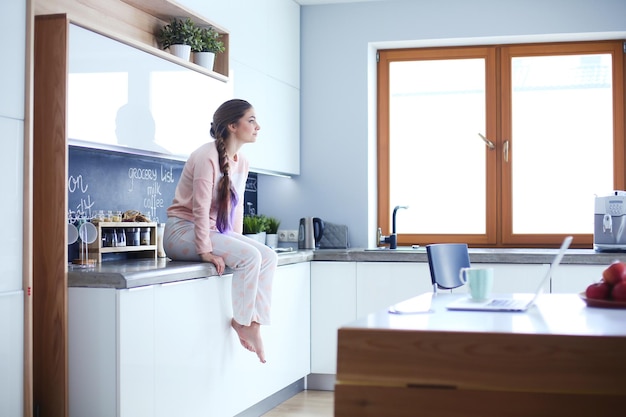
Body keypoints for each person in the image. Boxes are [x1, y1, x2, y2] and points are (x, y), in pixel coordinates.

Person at [163, 99, 278, 363]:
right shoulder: (206, 157)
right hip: (181, 233)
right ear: (232, 126)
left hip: (210, 232)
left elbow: (235, 212)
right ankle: (242, 321)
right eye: (251, 120)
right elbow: (200, 210)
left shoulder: (242, 162)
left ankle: (254, 324)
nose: (258, 126)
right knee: (251, 258)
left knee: (269, 257)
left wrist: (236, 242)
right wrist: (205, 251)